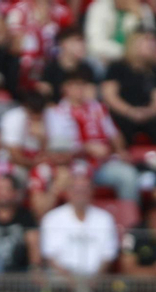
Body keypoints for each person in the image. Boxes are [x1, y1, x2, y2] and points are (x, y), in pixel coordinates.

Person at [42, 69, 140, 200]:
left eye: (82, 85)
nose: (80, 89)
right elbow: (58, 148)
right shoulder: (56, 113)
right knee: (73, 179)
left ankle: (129, 218)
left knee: (128, 175)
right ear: (65, 88)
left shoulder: (97, 107)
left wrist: (121, 150)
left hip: (103, 163)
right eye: (75, 85)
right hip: (74, 164)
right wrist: (87, 148)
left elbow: (114, 134)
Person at [102, 28, 156, 145]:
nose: (151, 45)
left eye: (153, 42)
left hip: (148, 112)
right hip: (123, 112)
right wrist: (129, 111)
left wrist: (150, 112)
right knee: (120, 125)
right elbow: (109, 95)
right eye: (146, 41)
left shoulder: (155, 70)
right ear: (134, 44)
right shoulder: (117, 67)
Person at [83, 0, 152, 68]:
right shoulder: (98, 7)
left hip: (131, 61)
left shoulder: (141, 9)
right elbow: (94, 44)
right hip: (104, 59)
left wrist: (139, 19)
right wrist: (125, 53)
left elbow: (149, 41)